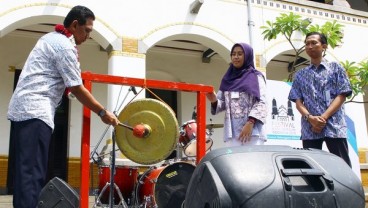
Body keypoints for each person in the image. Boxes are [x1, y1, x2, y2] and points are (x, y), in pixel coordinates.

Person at [7, 5, 119, 208]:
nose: (88, 36)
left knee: (24, 176)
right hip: (35, 112)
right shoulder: (64, 47)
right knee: (32, 176)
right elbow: (76, 87)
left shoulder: (48, 38)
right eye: (87, 30)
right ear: (75, 25)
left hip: (21, 111)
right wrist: (103, 113)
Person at [288, 32, 352, 167]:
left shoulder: (336, 68)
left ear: (324, 46)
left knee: (342, 166)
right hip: (309, 128)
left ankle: (347, 189)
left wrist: (322, 118)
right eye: (307, 43)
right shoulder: (300, 74)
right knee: (312, 168)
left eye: (314, 43)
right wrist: (310, 118)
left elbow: (342, 95)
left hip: (334, 127)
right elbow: (298, 101)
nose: (309, 46)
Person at [206, 43, 267, 147]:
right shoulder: (227, 79)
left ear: (247, 56)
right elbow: (222, 104)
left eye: (239, 54)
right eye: (233, 54)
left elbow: (262, 101)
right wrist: (214, 100)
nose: (236, 57)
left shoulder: (256, 77)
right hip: (232, 134)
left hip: (252, 132)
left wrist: (250, 122)